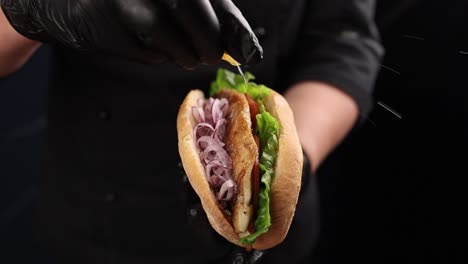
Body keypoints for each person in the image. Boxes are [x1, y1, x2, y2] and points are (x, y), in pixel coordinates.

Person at [0, 0, 383, 263]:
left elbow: (344, 46)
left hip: (270, 252)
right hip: (97, 218)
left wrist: (291, 163)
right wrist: (31, 10)